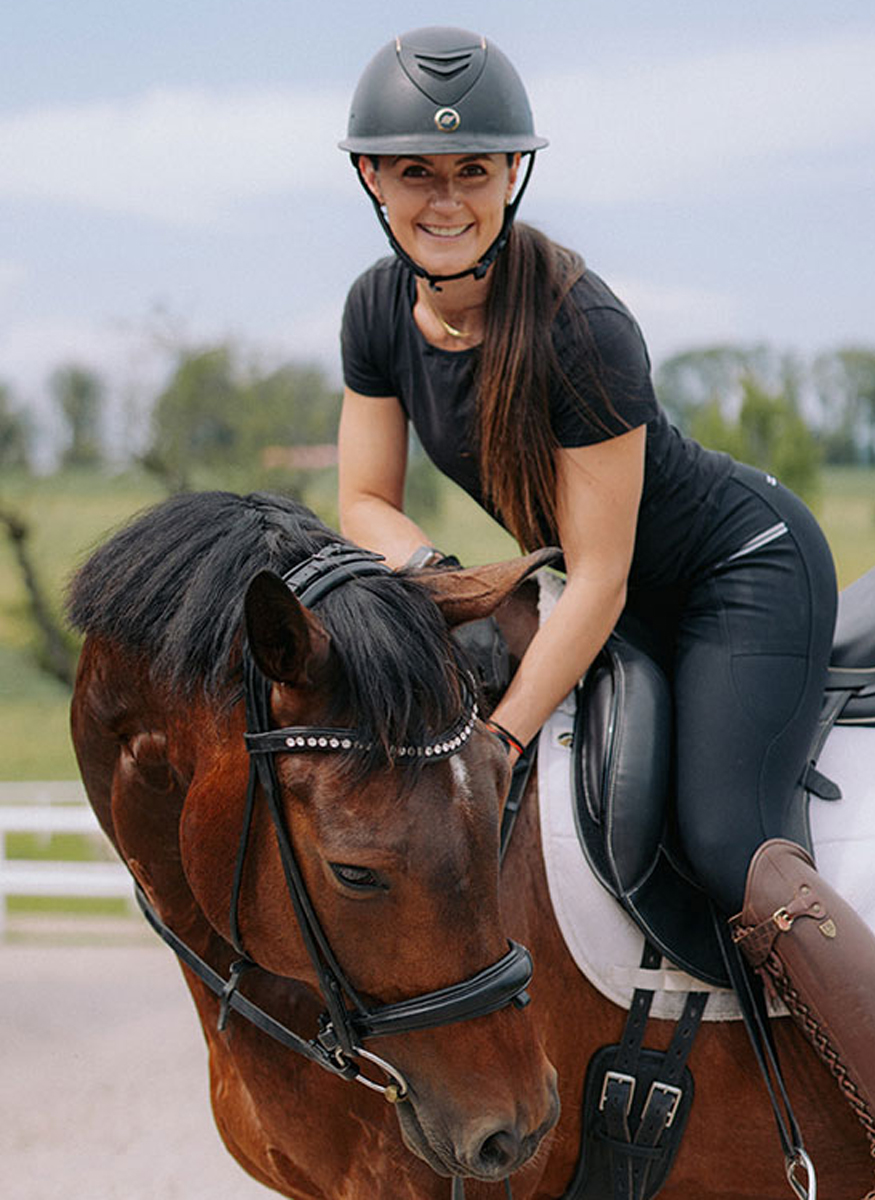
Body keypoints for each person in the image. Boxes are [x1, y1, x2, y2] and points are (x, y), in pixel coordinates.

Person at [336, 25, 875, 1147]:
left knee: (727, 840)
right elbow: (365, 505)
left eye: (472, 170)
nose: (447, 199)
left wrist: (499, 738)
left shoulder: (577, 325)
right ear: (368, 177)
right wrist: (444, 578)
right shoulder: (375, 311)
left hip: (734, 574)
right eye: (417, 171)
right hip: (605, 586)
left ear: (509, 176)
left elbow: (603, 573)